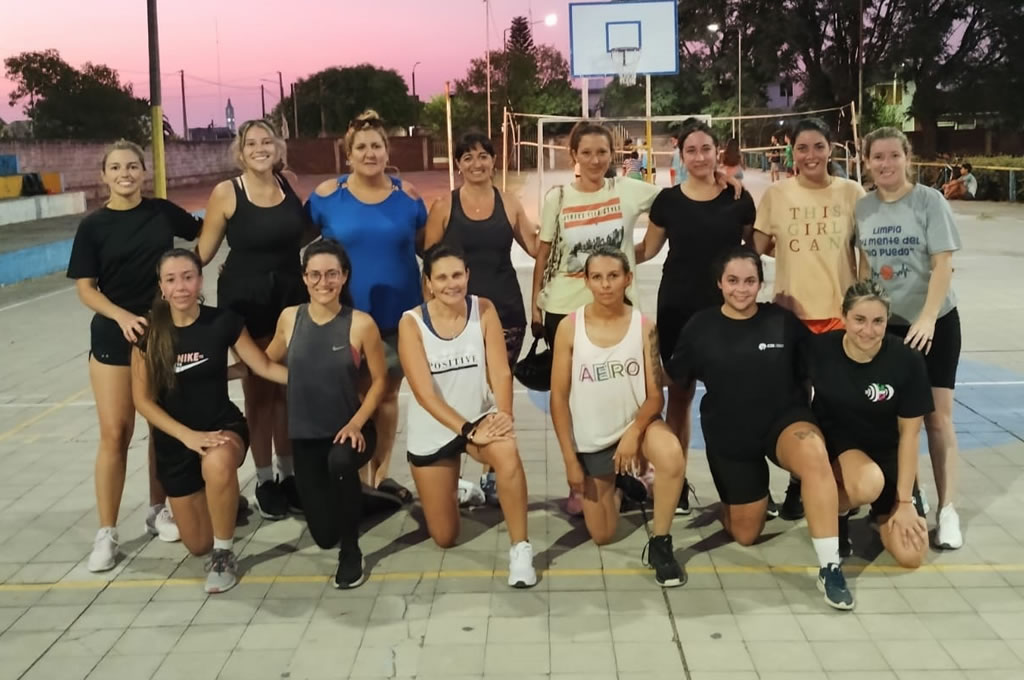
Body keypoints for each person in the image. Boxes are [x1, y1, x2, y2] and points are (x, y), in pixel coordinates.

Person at [669, 248, 853, 610]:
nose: (742, 290)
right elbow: (675, 386)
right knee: (746, 534)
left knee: (814, 457)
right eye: (733, 281)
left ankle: (830, 566)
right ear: (719, 284)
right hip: (731, 433)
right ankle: (743, 498)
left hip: (784, 422)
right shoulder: (700, 327)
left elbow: (825, 372)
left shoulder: (783, 322)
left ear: (761, 283)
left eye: (750, 281)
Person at [67, 140, 201, 572]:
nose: (125, 173)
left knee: (160, 428)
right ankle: (106, 531)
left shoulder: (162, 211)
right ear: (103, 175)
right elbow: (86, 288)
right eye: (116, 167)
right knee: (116, 432)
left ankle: (156, 508)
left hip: (159, 335)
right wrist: (123, 317)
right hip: (114, 333)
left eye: (133, 166)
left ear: (144, 171)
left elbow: (206, 230)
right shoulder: (93, 226)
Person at [131, 249, 287, 593]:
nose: (181, 286)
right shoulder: (149, 333)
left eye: (188, 277)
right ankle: (224, 503)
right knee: (196, 544)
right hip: (177, 441)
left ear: (200, 280)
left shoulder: (223, 322)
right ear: (161, 287)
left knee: (216, 462)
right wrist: (186, 436)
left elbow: (260, 366)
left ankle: (224, 554)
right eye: (171, 280)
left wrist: (309, 376)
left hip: (221, 427)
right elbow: (142, 400)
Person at [531, 121, 662, 515]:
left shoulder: (627, 190)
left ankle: (632, 468)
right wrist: (535, 301)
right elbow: (544, 252)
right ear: (573, 156)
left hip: (618, 309)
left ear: (612, 155)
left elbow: (676, 203)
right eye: (585, 152)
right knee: (575, 396)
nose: (594, 159)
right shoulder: (558, 197)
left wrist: (645, 250)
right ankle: (583, 475)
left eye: (602, 152)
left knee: (627, 390)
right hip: (565, 308)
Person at [635, 119, 756, 517]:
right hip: (678, 308)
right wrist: (598, 255)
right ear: (680, 154)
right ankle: (676, 482)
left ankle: (741, 486)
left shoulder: (738, 198)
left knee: (733, 401)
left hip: (727, 312)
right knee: (680, 398)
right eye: (692, 150)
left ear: (717, 152)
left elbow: (755, 249)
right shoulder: (667, 201)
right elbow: (647, 250)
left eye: (707, 149)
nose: (700, 157)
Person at [307, 109, 427, 503]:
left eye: (376, 145)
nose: (369, 152)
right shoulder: (326, 197)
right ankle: (353, 476)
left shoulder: (407, 197)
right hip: (346, 318)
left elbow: (426, 247)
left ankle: (380, 476)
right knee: (354, 398)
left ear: (386, 150)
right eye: (361, 147)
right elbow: (305, 250)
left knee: (388, 395)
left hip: (397, 315)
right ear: (349, 154)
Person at [398, 245, 537, 587]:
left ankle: (520, 550)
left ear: (467, 276)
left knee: (507, 453)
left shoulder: (484, 309)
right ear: (428, 283)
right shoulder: (411, 322)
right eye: (442, 277)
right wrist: (466, 431)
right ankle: (460, 489)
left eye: (457, 275)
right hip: (435, 429)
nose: (451, 284)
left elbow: (501, 372)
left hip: (479, 420)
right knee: (445, 537)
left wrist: (503, 416)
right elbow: (424, 394)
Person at [549, 247, 687, 587]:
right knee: (602, 535)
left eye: (613, 276)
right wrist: (569, 459)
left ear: (627, 279)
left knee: (670, 455)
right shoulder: (570, 328)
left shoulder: (643, 326)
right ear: (586, 281)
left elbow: (656, 396)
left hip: (637, 428)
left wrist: (633, 434)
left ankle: (661, 543)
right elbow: (559, 397)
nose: (606, 285)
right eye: (597, 277)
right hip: (593, 437)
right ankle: (620, 485)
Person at [753, 117, 867, 521]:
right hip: (792, 316)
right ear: (792, 153)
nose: (810, 155)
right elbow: (758, 246)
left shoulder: (852, 193)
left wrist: (867, 305)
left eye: (818, 146)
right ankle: (800, 483)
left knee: (837, 402)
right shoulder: (778, 194)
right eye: (802, 148)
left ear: (831, 149)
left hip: (839, 316)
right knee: (796, 403)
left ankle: (838, 482)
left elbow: (866, 252)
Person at [196, 119, 309, 520]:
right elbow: (203, 253)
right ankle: (264, 480)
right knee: (260, 392)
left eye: (266, 141)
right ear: (240, 153)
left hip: (291, 299)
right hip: (247, 301)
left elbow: (306, 234)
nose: (260, 148)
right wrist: (168, 283)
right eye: (251, 143)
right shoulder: (227, 192)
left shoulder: (288, 183)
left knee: (288, 391)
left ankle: (289, 474)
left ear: (277, 147)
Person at [858, 126, 964, 549]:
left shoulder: (929, 201)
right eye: (877, 157)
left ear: (907, 158)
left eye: (893, 156)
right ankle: (910, 500)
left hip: (933, 322)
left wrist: (927, 319)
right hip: (887, 327)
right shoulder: (862, 208)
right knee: (897, 422)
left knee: (937, 419)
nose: (885, 164)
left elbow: (942, 266)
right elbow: (865, 267)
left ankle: (948, 509)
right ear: (866, 162)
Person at [264, 239, 388, 588]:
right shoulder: (290, 318)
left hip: (352, 431)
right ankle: (372, 501)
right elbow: (265, 362)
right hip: (306, 435)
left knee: (338, 464)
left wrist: (356, 422)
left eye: (332, 274)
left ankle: (351, 552)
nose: (323, 282)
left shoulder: (361, 324)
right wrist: (220, 364)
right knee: (322, 534)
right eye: (315, 275)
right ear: (304, 278)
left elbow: (379, 383)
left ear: (344, 276)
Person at [424, 131, 538, 505]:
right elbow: (429, 268)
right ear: (458, 164)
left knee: (495, 393)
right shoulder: (444, 207)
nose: (477, 163)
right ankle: (452, 473)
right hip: (456, 318)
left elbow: (538, 248)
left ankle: (492, 473)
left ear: (493, 160)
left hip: (504, 311)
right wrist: (431, 321)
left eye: (483, 156)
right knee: (457, 393)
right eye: (468, 157)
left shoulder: (509, 202)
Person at [806, 281, 932, 568]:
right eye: (859, 320)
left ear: (888, 320)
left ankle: (880, 516)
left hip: (888, 455)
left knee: (912, 556)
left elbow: (910, 436)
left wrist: (904, 503)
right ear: (844, 316)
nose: (868, 330)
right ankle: (835, 513)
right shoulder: (820, 350)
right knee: (868, 484)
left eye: (878, 321)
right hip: (843, 448)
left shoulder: (907, 360)